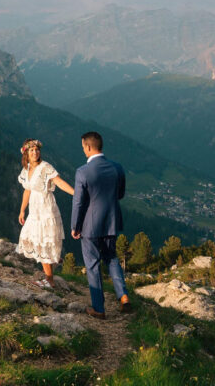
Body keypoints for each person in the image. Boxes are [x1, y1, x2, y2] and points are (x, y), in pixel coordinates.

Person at [71, 131, 131, 319]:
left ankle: (99, 308)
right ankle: (123, 296)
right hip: (111, 222)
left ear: (88, 147)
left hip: (90, 225)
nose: (83, 150)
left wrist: (75, 225)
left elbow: (79, 202)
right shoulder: (117, 167)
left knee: (93, 264)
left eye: (83, 147)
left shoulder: (83, 171)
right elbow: (120, 194)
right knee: (111, 257)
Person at [16, 138, 75, 289]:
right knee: (36, 240)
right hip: (34, 211)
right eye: (31, 150)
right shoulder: (26, 169)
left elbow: (59, 182)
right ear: (26, 153)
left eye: (37, 149)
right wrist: (22, 210)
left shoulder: (45, 167)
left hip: (46, 208)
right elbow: (27, 190)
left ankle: (50, 280)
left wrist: (76, 193)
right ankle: (50, 272)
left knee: (44, 242)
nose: (35, 152)